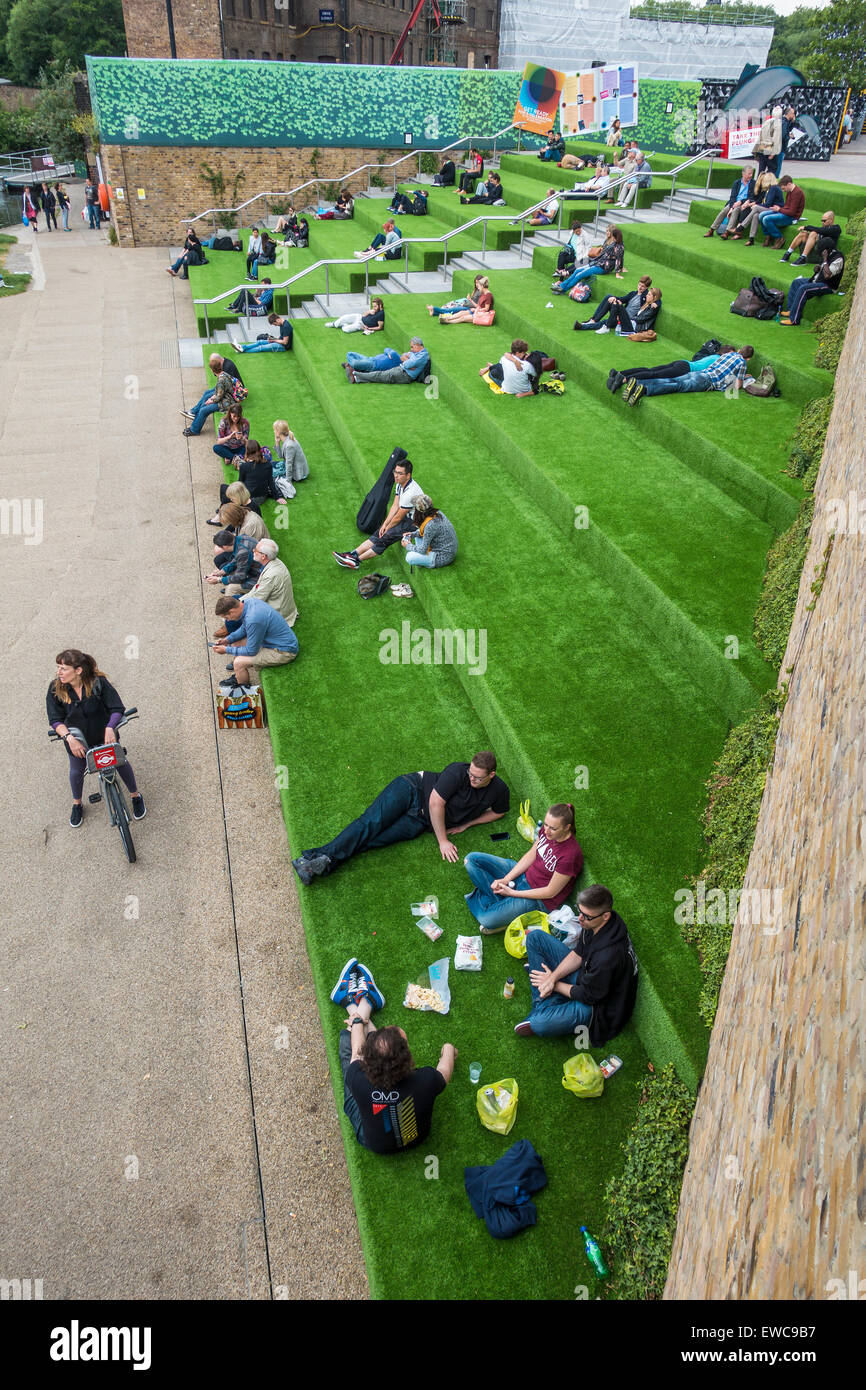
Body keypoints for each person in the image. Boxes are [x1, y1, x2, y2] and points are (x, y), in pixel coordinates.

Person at [292, 752, 510, 883]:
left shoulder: (499, 790)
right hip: (411, 790)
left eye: (477, 778)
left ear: (491, 775)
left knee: (375, 839)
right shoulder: (456, 772)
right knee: (370, 824)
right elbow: (436, 803)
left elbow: (499, 812)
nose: (471, 778)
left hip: (420, 822)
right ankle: (319, 861)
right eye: (470, 773)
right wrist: (442, 840)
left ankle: (312, 862)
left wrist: (468, 824)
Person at [331, 960, 455, 1154]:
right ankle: (365, 1000)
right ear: (407, 1058)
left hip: (372, 1142)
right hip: (417, 1138)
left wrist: (357, 1020)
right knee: (364, 1043)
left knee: (348, 1044)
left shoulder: (358, 1078)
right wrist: (448, 1048)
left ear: (367, 1059)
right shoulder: (427, 1080)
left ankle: (355, 1001)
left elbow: (356, 1049)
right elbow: (445, 1068)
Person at [517, 884, 638, 1042]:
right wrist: (552, 978)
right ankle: (545, 999)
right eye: (579, 911)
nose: (579, 918)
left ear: (605, 916)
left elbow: (588, 996)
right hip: (587, 977)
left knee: (539, 1024)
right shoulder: (595, 922)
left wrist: (553, 983)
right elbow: (578, 954)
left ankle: (543, 1004)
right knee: (535, 938)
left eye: (586, 916)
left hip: (598, 1006)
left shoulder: (607, 957)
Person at [47, 649, 145, 828]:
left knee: (120, 762)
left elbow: (116, 707)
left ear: (78, 670)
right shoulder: (56, 688)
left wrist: (110, 727)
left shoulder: (98, 683)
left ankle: (135, 796)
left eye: (63, 668)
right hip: (77, 742)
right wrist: (69, 738)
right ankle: (77, 803)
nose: (59, 672)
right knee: (77, 771)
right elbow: (55, 719)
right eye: (58, 667)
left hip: (104, 736)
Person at [464, 803, 583, 934]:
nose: (547, 830)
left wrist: (512, 893)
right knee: (471, 860)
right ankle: (500, 902)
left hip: (538, 898)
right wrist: (505, 879)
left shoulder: (570, 855)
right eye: (546, 824)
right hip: (524, 875)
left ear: (567, 827)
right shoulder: (547, 831)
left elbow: (550, 892)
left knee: (486, 920)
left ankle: (498, 902)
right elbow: (531, 855)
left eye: (553, 828)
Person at [333, 455, 424, 567]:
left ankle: (356, 561)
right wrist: (385, 524)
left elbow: (398, 517)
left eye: (400, 473)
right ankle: (352, 554)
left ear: (408, 475)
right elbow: (395, 506)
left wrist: (387, 527)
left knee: (386, 536)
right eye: (395, 472)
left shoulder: (410, 493)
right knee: (380, 531)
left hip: (415, 523)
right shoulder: (399, 485)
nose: (396, 475)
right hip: (406, 517)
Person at [213, 593, 298, 689]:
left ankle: (242, 688)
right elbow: (244, 628)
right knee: (235, 644)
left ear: (231, 611)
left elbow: (251, 651)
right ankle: (239, 674)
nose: (227, 621)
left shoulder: (253, 619)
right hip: (275, 641)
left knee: (238, 662)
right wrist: (227, 640)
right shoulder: (249, 602)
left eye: (226, 618)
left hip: (284, 651)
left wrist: (226, 650)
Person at [623, 345, 754, 404]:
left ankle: (637, 383)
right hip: (707, 381)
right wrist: (744, 377)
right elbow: (737, 386)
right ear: (748, 358)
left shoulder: (728, 354)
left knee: (672, 380)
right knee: (677, 386)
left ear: (739, 350)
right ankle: (645, 389)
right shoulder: (743, 363)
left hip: (699, 373)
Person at [606, 347, 729, 394]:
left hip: (682, 362)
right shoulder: (720, 360)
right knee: (654, 374)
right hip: (685, 369)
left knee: (651, 370)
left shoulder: (713, 356)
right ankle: (623, 379)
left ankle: (621, 373)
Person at [779, 244, 845, 326]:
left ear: (826, 251)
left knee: (804, 289)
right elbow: (823, 269)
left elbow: (828, 275)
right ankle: (791, 310)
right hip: (818, 280)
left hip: (828, 286)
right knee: (796, 282)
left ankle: (794, 319)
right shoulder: (828, 253)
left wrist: (824, 260)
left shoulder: (838, 258)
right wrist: (818, 269)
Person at [181, 354, 244, 437]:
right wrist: (211, 398)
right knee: (204, 405)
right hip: (226, 398)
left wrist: (211, 400)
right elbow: (220, 392)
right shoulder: (223, 374)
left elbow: (219, 397)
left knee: (204, 410)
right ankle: (195, 423)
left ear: (212, 370)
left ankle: (194, 430)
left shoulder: (221, 379)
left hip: (228, 403)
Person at [553, 226, 624, 294]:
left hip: (603, 267)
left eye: (613, 236)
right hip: (597, 262)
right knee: (577, 270)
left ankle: (562, 289)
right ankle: (561, 285)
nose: (612, 237)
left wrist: (617, 272)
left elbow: (619, 259)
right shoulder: (612, 243)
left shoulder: (619, 247)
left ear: (616, 237)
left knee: (580, 274)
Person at [574, 277, 659, 334]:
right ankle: (592, 321)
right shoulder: (633, 293)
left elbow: (657, 297)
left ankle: (586, 326)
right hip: (621, 313)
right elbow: (622, 299)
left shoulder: (646, 297)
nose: (640, 287)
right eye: (639, 284)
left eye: (643, 286)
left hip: (628, 320)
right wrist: (613, 297)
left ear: (646, 288)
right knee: (609, 297)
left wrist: (657, 303)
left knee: (606, 320)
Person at [724, 170, 783, 244]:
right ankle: (751, 239)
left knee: (756, 208)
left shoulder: (773, 188)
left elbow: (768, 204)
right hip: (770, 208)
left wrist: (756, 205)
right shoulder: (770, 189)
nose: (763, 182)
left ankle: (741, 228)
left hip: (775, 210)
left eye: (764, 180)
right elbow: (765, 203)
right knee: (755, 215)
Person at [401, 495, 458, 569]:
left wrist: (408, 545)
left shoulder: (430, 525)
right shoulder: (437, 513)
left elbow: (423, 550)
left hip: (442, 557)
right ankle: (421, 559)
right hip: (448, 550)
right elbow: (423, 532)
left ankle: (421, 561)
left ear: (419, 511)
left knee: (409, 557)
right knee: (417, 533)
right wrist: (412, 534)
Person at [345, 336, 429, 386]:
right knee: (380, 375)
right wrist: (409, 359)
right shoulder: (416, 354)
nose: (411, 350)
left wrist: (407, 360)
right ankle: (356, 375)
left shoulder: (422, 356)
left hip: (405, 375)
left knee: (380, 376)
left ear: (417, 345)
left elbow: (407, 364)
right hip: (401, 370)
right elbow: (405, 356)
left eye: (412, 347)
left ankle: (355, 376)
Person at [206, 526, 262, 593]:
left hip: (259, 578)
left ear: (225, 547)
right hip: (253, 569)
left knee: (230, 590)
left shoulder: (242, 552)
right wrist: (221, 572)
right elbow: (235, 560)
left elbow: (240, 577)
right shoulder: (241, 538)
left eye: (220, 547)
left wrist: (219, 580)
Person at [704, 166, 756, 237]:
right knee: (725, 210)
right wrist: (731, 207)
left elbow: (751, 197)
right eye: (749, 174)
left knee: (736, 210)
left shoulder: (753, 183)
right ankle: (712, 230)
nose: (751, 176)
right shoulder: (736, 183)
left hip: (744, 204)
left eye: (751, 174)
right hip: (734, 203)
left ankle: (727, 232)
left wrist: (741, 201)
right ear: (743, 174)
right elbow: (732, 196)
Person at [757, 174, 805, 249]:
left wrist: (779, 209)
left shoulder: (797, 193)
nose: (783, 191)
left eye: (783, 188)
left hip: (791, 217)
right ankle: (768, 236)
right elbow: (787, 207)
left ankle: (779, 238)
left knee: (766, 219)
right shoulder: (790, 191)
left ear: (789, 184)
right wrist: (778, 209)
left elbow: (792, 212)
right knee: (761, 215)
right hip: (785, 212)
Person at [272, 420, 309, 496]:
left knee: (273, 473)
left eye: (274, 430)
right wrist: (277, 443)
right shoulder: (287, 438)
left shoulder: (289, 445)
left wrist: (288, 481)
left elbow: (289, 464)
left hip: (299, 474)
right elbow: (281, 456)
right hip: (292, 466)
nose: (274, 431)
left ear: (278, 432)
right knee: (271, 465)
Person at [211, 403, 250, 470]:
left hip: (240, 447)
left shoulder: (245, 423)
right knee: (216, 448)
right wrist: (230, 437)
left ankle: (229, 457)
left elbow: (247, 443)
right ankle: (237, 459)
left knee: (250, 447)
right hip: (227, 447)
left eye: (238, 416)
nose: (236, 418)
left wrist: (242, 437)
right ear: (230, 413)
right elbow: (219, 441)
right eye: (234, 416)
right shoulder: (223, 422)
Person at [754, 105, 783, 178]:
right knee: (773, 168)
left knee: (761, 169)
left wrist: (756, 152)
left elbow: (760, 136)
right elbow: (776, 139)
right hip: (769, 149)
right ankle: (765, 182)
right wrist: (773, 153)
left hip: (761, 148)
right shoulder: (778, 124)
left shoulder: (766, 122)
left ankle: (758, 184)